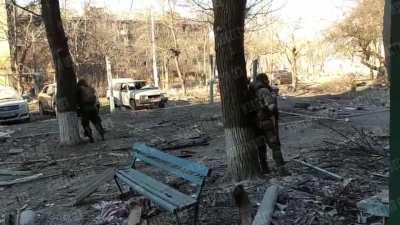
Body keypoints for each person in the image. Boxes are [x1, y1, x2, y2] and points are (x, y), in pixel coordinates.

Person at [249, 73, 287, 175]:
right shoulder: (264, 91)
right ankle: (282, 169)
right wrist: (273, 98)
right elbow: (271, 107)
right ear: (264, 80)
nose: (268, 82)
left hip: (255, 125)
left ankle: (264, 169)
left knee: (261, 148)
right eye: (267, 80)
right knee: (275, 146)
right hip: (266, 123)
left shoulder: (250, 91)